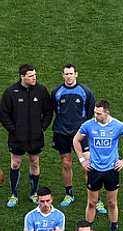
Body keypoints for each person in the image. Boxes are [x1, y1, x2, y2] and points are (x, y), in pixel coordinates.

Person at [73, 100, 123, 231]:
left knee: (112, 203)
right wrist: (82, 160)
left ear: (107, 112)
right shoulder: (88, 125)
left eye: (99, 113)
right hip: (94, 170)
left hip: (111, 171)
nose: (96, 115)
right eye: (95, 112)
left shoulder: (118, 126)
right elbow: (76, 140)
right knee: (92, 203)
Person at [0, 64, 53, 208]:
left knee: (34, 162)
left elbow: (48, 111)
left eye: (35, 75)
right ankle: (13, 194)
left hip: (35, 137)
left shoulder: (41, 91)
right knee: (15, 163)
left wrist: (42, 127)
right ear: (22, 76)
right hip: (17, 138)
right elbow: (3, 114)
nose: (34, 78)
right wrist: (13, 130)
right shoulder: (11, 92)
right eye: (30, 76)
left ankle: (34, 193)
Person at [50, 64, 95, 207]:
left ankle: (95, 198)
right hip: (62, 133)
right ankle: (69, 194)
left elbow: (90, 112)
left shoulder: (85, 92)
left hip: (81, 134)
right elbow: (55, 110)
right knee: (66, 163)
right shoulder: (56, 92)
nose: (69, 76)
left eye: (71, 73)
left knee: (88, 165)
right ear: (63, 75)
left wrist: (82, 128)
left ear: (76, 74)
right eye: (66, 74)